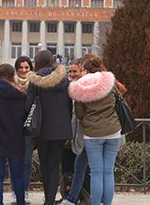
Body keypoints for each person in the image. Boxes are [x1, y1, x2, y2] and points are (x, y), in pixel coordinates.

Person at [68, 56, 121, 205]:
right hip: (113, 131)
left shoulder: (80, 86)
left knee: (96, 172)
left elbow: (79, 113)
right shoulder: (110, 83)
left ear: (85, 70)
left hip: (92, 134)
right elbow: (119, 101)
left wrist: (88, 120)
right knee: (108, 171)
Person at [24, 50, 72, 205]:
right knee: (54, 164)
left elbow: (28, 106)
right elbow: (69, 104)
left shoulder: (35, 81)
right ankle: (50, 200)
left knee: (45, 164)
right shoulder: (64, 80)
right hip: (61, 128)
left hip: (42, 128)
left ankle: (48, 198)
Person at [0, 64, 27, 205]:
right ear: (13, 74)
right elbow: (25, 115)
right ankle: (20, 202)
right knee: (18, 175)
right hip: (16, 138)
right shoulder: (20, 93)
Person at [59, 58, 89, 205]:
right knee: (66, 166)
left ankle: (83, 196)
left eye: (74, 71)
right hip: (67, 132)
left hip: (81, 133)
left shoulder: (84, 87)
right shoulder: (65, 87)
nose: (71, 74)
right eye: (69, 71)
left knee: (82, 166)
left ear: (81, 71)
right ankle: (67, 194)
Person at [13, 56, 33, 204]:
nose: (24, 70)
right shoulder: (11, 83)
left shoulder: (34, 83)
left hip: (30, 128)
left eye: (27, 67)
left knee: (26, 161)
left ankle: (24, 190)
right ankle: (15, 191)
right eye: (21, 67)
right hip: (13, 127)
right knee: (14, 161)